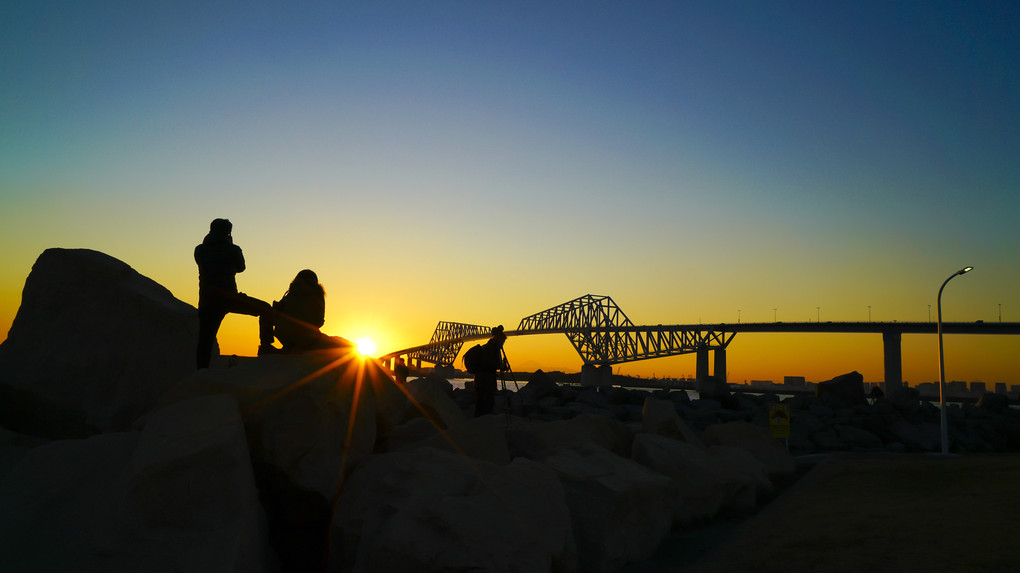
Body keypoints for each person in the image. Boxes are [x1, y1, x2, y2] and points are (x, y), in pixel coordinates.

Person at [194, 218, 276, 368]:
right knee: (265, 308)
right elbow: (241, 268)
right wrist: (230, 244)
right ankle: (265, 345)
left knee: (205, 339)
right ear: (228, 232)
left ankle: (201, 370)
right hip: (229, 298)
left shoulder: (199, 249)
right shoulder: (232, 249)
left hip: (207, 301)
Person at [273, 269, 327, 352]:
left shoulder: (290, 293)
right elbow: (319, 321)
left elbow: (277, 311)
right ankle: (301, 346)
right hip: (306, 338)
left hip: (283, 334)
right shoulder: (318, 295)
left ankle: (271, 345)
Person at [473, 325, 507, 417]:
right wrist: (502, 366)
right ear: (499, 340)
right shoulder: (492, 349)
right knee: (487, 403)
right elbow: (491, 364)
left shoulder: (488, 346)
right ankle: (484, 420)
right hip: (486, 381)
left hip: (480, 380)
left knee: (480, 403)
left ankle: (479, 420)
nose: (502, 345)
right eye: (503, 342)